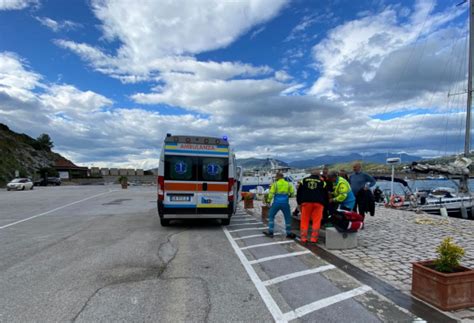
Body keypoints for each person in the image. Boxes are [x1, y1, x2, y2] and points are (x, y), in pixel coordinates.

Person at [296, 170, 327, 244]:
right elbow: (325, 195)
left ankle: (303, 238)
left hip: (306, 203)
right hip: (318, 203)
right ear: (319, 175)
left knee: (304, 220)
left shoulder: (303, 180)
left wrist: (299, 203)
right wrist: (325, 204)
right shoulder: (322, 182)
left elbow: (299, 192)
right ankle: (314, 238)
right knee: (316, 221)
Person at [263, 173, 295, 238]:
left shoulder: (275, 184)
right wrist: (288, 196)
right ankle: (288, 233)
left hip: (276, 203)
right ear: (283, 177)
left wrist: (268, 201)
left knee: (271, 216)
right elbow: (292, 193)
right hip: (285, 203)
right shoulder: (288, 184)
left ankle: (271, 232)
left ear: (277, 177)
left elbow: (271, 194)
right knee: (287, 217)